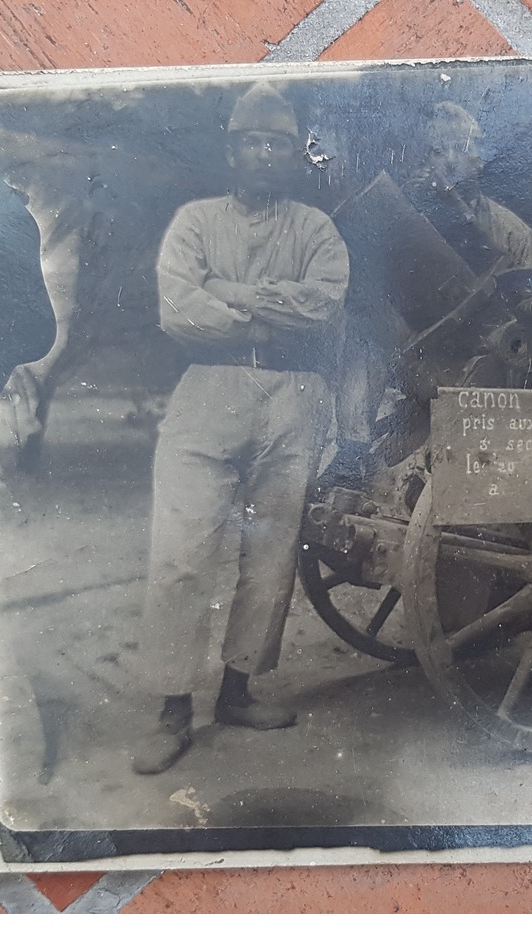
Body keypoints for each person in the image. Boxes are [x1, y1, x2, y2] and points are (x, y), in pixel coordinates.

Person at [130, 82, 350, 775]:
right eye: (252, 142)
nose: (265, 154)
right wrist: (253, 312)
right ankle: (172, 708)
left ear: (294, 155)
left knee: (271, 555)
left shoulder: (315, 228)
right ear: (231, 151)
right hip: (207, 388)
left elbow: (321, 307)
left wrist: (230, 294)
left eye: (278, 144)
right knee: (179, 552)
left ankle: (237, 690)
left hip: (294, 394)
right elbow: (177, 310)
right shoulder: (195, 221)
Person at [329, 101, 532, 483]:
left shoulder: (508, 230)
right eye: (440, 151)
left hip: (502, 382)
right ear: (425, 159)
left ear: (483, 157)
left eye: (464, 148)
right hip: (425, 379)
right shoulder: (396, 224)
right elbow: (368, 327)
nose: (452, 161)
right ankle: (351, 455)